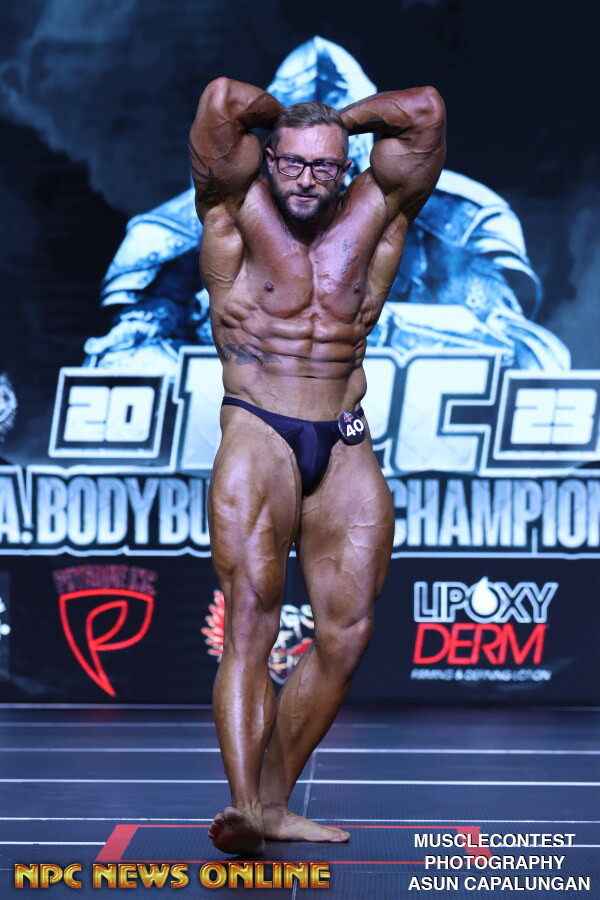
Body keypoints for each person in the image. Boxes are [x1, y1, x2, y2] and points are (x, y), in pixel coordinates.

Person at [189, 76, 445, 855]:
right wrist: (302, 122)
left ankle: (272, 803)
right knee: (252, 619)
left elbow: (425, 111)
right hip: (259, 426)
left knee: (348, 633)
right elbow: (224, 99)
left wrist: (339, 121)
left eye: (324, 165)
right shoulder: (234, 204)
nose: (307, 178)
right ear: (269, 160)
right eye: (294, 162)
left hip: (343, 433)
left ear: (347, 166)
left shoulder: (380, 209)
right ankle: (242, 806)